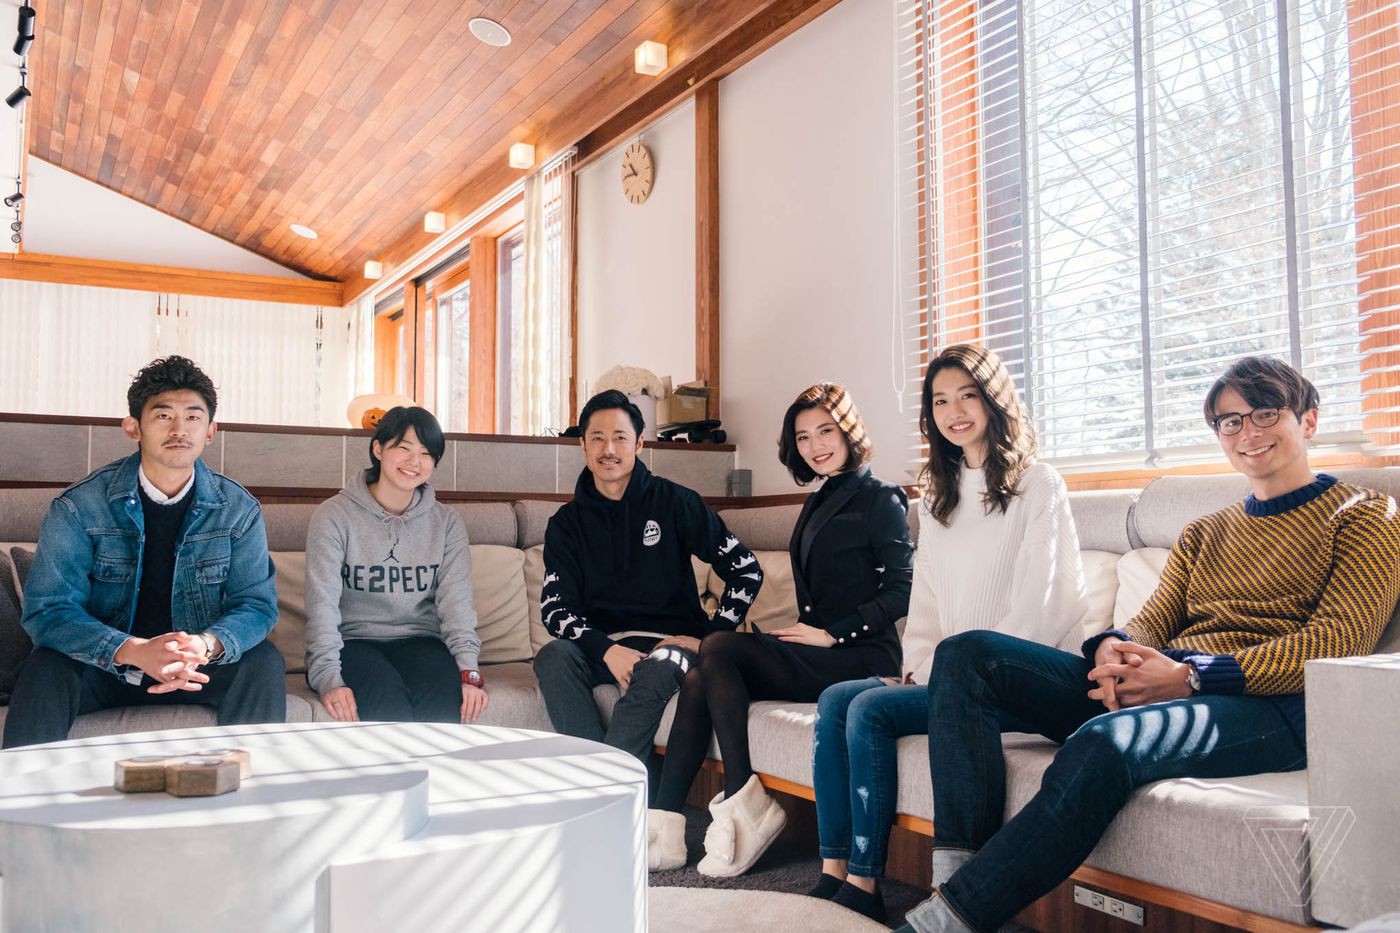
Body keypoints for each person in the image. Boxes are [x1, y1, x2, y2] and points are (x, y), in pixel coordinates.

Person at [899, 356, 1400, 933]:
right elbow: (1150, 621)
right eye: (1230, 422)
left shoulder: (1365, 515)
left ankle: (940, 924)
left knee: (1103, 743)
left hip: (1269, 710)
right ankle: (960, 877)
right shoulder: (1206, 531)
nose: (1248, 433)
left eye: (1266, 414)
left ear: (1308, 420)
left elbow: (1336, 641)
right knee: (968, 655)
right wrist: (1113, 650)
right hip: (1166, 682)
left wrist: (1190, 677)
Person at [812, 345, 1087, 922]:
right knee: (838, 699)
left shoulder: (1040, 484)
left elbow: (1046, 602)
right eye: (940, 400)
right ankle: (843, 871)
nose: (954, 410)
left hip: (1022, 680)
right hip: (952, 680)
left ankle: (906, 884)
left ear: (993, 399)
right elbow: (926, 598)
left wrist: (961, 673)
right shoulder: (938, 493)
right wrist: (922, 666)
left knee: (870, 711)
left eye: (967, 394)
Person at [648, 383, 914, 878]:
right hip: (815, 647)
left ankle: (746, 806)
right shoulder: (818, 498)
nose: (816, 445)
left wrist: (834, 633)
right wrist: (807, 632)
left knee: (718, 646)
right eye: (804, 436)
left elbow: (902, 590)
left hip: (862, 658)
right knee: (700, 674)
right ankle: (664, 826)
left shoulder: (882, 498)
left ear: (849, 430)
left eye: (826, 431)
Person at [2, 356, 283, 749]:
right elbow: (49, 610)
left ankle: (254, 796)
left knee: (263, 662)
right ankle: (17, 800)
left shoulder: (238, 509)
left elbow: (257, 605)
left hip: (194, 668)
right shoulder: (80, 507)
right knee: (45, 668)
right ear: (133, 427)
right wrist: (133, 651)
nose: (179, 430)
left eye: (193, 417)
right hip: (106, 667)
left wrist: (204, 645)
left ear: (211, 431)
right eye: (163, 416)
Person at [533, 390, 763, 777]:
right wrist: (607, 650)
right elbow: (555, 610)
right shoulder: (566, 524)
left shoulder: (676, 503)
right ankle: (609, 786)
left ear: (639, 443)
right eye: (598, 438)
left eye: (620, 437)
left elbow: (745, 570)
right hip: (603, 650)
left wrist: (711, 638)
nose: (609, 449)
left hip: (669, 649)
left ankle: (600, 786)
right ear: (582, 445)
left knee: (658, 668)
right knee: (553, 657)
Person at [304, 406, 486, 724]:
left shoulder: (446, 523)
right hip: (354, 642)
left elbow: (457, 603)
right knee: (388, 707)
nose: (414, 462)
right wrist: (329, 679)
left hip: (421, 640)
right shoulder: (334, 516)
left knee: (443, 706)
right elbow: (322, 606)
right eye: (403, 448)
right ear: (378, 448)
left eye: (426, 453)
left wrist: (468, 671)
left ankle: (438, 775)